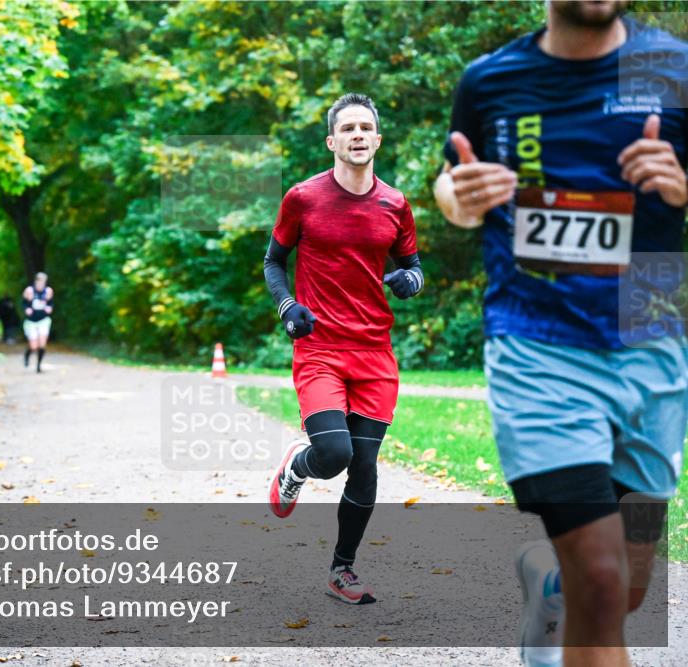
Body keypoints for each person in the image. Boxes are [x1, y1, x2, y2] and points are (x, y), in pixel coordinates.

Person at [433, 2, 687, 665]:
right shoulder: (490, 79)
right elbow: (450, 182)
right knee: (601, 579)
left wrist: (682, 186)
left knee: (627, 588)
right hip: (536, 344)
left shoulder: (674, 68)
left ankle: (549, 581)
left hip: (651, 342)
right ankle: (570, 583)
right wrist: (460, 200)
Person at [265, 93, 424, 605]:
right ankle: (298, 467)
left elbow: (414, 267)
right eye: (348, 128)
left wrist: (409, 282)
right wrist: (288, 306)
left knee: (365, 464)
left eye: (365, 128)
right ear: (332, 141)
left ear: (377, 139)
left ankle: (342, 570)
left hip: (375, 353)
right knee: (334, 454)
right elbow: (273, 261)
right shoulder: (302, 198)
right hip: (321, 348)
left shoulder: (395, 203)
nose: (358, 135)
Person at [22, 272, 54, 373]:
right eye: (40, 281)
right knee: (33, 346)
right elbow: (23, 303)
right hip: (31, 321)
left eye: (43, 282)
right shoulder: (29, 291)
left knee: (42, 344)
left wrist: (50, 308)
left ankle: (39, 366)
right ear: (36, 281)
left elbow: (51, 303)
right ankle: (27, 355)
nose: (41, 284)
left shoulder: (48, 291)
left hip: (43, 320)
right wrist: (26, 309)